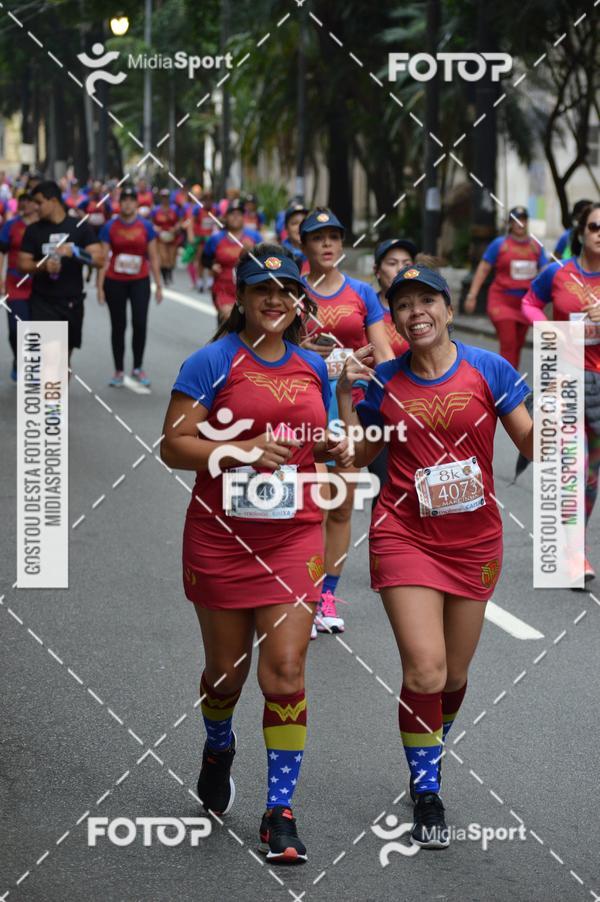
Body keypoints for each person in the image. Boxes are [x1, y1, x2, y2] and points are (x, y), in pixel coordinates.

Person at [160, 243, 351, 863]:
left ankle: (279, 812)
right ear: (240, 297)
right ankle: (219, 745)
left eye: (287, 290)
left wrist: (333, 445)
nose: (275, 299)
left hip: (294, 533)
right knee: (225, 675)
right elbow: (173, 446)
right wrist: (242, 450)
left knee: (287, 671)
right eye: (261, 288)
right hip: (221, 537)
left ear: (300, 301)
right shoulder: (210, 363)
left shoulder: (312, 368)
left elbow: (316, 440)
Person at [337, 264, 533, 848]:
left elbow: (530, 442)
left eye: (427, 300)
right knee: (424, 667)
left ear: (447, 309)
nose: (415, 311)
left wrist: (562, 414)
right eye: (403, 304)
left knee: (454, 675)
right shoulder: (385, 380)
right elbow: (362, 451)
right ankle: (427, 790)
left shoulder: (488, 369)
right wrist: (345, 415)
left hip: (474, 541)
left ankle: (431, 743)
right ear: (393, 319)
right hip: (404, 534)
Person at [299, 207, 393, 635]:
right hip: (304, 406)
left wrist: (386, 383)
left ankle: (327, 594)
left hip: (349, 407)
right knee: (313, 504)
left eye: (335, 237)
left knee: (339, 506)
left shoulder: (362, 293)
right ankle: (304, 590)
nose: (328, 244)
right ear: (305, 246)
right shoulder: (292, 290)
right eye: (319, 238)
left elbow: (383, 353)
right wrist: (302, 351)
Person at [522, 201, 600, 582]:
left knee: (591, 476)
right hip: (566, 377)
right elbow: (529, 303)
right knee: (574, 467)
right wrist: (548, 329)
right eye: (595, 227)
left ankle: (576, 542)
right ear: (582, 233)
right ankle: (574, 554)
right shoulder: (558, 273)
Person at [18, 180, 104, 360]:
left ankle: (58, 381)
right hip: (43, 302)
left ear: (54, 201)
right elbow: (23, 263)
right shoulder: (33, 230)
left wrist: (75, 252)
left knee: (63, 361)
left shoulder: (78, 226)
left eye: (39, 202)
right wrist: (42, 266)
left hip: (72, 302)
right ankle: (51, 383)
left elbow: (99, 259)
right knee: (49, 358)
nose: (35, 207)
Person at [464, 206, 548, 368]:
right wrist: (472, 295)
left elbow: (545, 271)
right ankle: (507, 386)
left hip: (525, 304)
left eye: (523, 219)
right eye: (516, 220)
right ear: (510, 224)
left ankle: (511, 383)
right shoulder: (499, 244)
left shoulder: (535, 246)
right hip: (501, 301)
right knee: (508, 344)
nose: (520, 224)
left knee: (517, 345)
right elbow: (483, 269)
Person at [97, 185, 163, 388]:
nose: (127, 203)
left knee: (139, 323)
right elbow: (103, 258)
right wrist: (99, 286)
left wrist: (159, 285)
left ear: (136, 203)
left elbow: (153, 256)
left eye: (131, 199)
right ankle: (118, 370)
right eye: (123, 199)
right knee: (118, 325)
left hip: (139, 280)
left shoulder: (146, 226)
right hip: (115, 281)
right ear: (119, 203)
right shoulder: (110, 227)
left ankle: (137, 367)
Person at [202, 199, 261, 324]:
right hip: (223, 287)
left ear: (243, 217)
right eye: (232, 214)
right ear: (226, 217)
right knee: (228, 319)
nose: (235, 217)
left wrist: (252, 252)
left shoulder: (254, 237)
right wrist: (212, 265)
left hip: (248, 288)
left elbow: (264, 260)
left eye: (239, 214)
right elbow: (204, 258)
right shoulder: (216, 238)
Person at [0, 192, 38, 380]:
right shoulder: (11, 226)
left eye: (30, 200)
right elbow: (2, 252)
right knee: (16, 330)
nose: (26, 204)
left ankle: (32, 368)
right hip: (15, 284)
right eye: (23, 201)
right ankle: (18, 359)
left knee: (36, 329)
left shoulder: (44, 227)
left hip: (39, 285)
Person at [152, 189, 180, 285]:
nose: (165, 199)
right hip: (161, 237)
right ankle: (165, 277)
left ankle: (169, 273)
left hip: (172, 236)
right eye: (163, 197)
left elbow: (179, 222)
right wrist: (156, 228)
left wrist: (175, 228)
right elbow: (152, 223)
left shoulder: (174, 209)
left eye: (166, 197)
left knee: (171, 258)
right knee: (164, 257)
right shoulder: (156, 210)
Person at [281, 202, 308, 270]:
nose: (300, 227)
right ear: (286, 228)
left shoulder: (317, 254)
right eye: (294, 223)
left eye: (304, 222)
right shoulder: (279, 254)